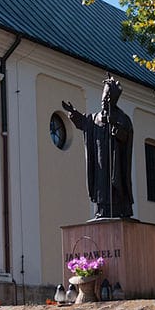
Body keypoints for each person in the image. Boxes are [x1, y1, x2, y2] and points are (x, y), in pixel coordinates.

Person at [62, 77, 134, 219]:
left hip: (115, 163)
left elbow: (126, 136)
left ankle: (119, 209)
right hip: (100, 163)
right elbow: (84, 123)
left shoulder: (122, 118)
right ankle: (101, 210)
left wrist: (116, 129)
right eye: (103, 97)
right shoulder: (95, 118)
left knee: (114, 185)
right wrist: (74, 113)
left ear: (113, 100)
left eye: (107, 97)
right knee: (101, 186)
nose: (104, 100)